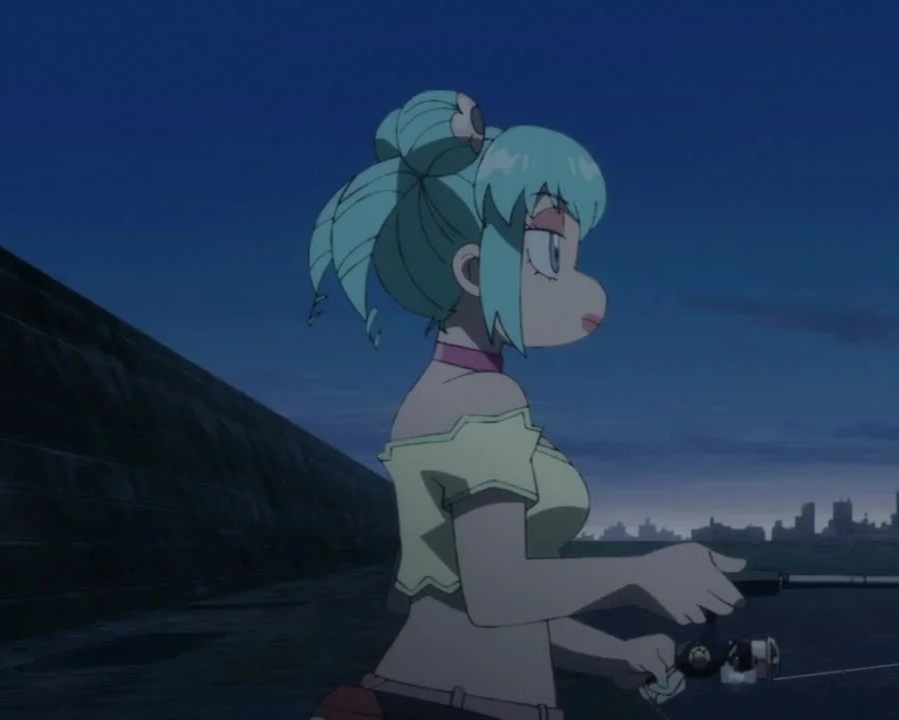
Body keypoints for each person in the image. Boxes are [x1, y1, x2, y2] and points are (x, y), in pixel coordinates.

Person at [305, 90, 747, 720]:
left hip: (427, 697)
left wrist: (616, 655)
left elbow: (466, 604)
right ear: (472, 271)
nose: (584, 287)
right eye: (550, 255)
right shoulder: (481, 398)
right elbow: (500, 593)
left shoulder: (441, 395)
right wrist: (644, 573)